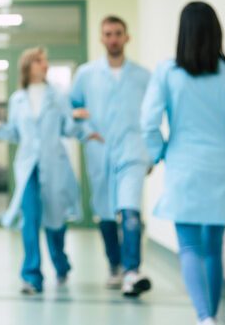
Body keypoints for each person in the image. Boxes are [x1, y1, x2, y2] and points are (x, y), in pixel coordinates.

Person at [141, 1, 225, 325]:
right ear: (217, 32)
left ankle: (204, 318)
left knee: (189, 247)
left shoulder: (168, 72)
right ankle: (211, 315)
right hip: (223, 166)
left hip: (184, 165)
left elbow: (148, 122)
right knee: (213, 247)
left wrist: (161, 151)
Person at [0, 47, 98, 295]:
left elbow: (68, 127)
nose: (44, 65)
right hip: (28, 167)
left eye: (45, 61)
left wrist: (85, 128)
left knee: (55, 222)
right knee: (30, 220)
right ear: (27, 66)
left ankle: (61, 264)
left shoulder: (58, 96)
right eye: (39, 61)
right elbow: (15, 132)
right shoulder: (18, 99)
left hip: (54, 164)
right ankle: (31, 276)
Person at [69, 16, 152, 296]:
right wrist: (85, 130)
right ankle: (115, 266)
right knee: (105, 212)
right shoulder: (86, 74)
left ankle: (132, 271)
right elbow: (73, 110)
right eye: (108, 34)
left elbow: (153, 117)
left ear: (127, 37)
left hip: (132, 150)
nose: (113, 38)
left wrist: (152, 153)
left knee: (130, 210)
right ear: (101, 38)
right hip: (100, 152)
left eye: (118, 33)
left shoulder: (143, 76)